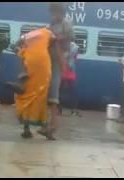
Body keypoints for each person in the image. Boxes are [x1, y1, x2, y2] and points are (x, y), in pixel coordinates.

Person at [12, 27, 59, 139]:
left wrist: (20, 51)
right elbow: (55, 40)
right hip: (42, 63)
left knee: (26, 94)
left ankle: (26, 129)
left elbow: (15, 46)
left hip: (28, 62)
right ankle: (45, 127)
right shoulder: (47, 31)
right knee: (41, 94)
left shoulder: (26, 36)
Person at [38, 2, 74, 139]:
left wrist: (56, 38)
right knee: (47, 93)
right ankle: (48, 127)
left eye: (55, 12)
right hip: (48, 59)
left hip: (58, 59)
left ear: (60, 13)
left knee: (53, 92)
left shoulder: (66, 23)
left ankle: (52, 126)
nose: (53, 15)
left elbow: (70, 37)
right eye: (52, 12)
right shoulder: (50, 25)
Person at [59, 41, 79, 116]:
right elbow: (76, 59)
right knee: (73, 93)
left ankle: (59, 110)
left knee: (59, 92)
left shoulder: (61, 47)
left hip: (62, 72)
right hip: (71, 74)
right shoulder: (74, 49)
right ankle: (73, 110)